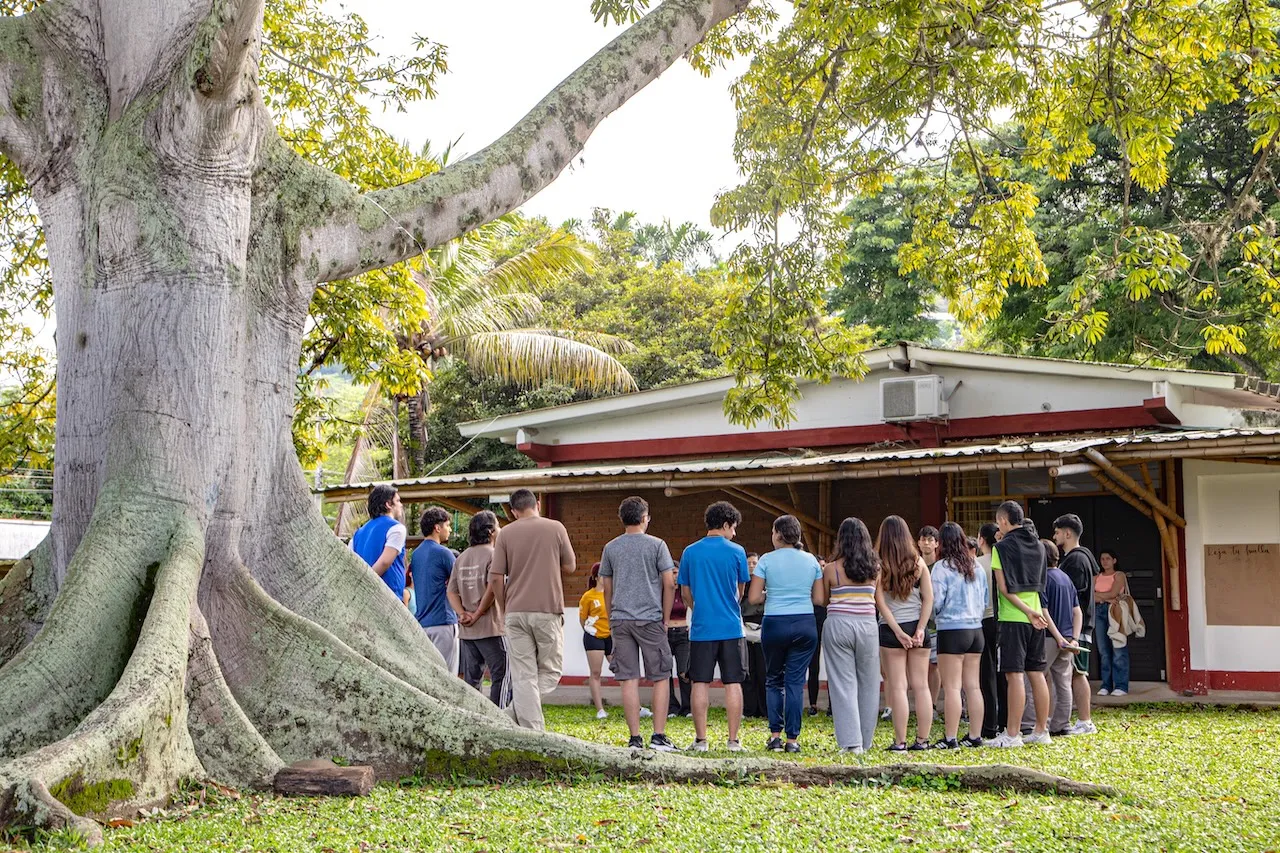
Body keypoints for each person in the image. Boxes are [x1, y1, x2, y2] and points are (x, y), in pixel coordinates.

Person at [490, 488, 577, 731]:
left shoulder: (505, 533)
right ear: (537, 503)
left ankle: (511, 716)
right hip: (547, 608)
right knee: (551, 670)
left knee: (523, 674)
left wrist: (504, 606)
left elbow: (496, 577)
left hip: (515, 610)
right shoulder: (556, 528)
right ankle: (532, 730)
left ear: (514, 511)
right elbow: (570, 566)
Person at [600, 496, 677, 751]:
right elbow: (669, 583)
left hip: (620, 618)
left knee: (628, 679)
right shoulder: (657, 545)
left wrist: (612, 617)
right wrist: (665, 618)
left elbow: (607, 588)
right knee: (661, 676)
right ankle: (658, 735)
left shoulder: (611, 547)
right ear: (645, 518)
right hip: (650, 618)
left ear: (621, 519)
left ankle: (635, 738)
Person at [677, 500, 751, 752]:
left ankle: (701, 740)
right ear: (726, 524)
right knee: (733, 683)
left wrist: (698, 609)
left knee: (699, 682)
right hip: (731, 627)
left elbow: (685, 592)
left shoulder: (690, 552)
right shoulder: (737, 552)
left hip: (701, 627)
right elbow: (740, 590)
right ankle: (733, 741)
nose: (735, 533)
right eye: (734, 527)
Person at [747, 515, 824, 753]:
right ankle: (793, 739)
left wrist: (771, 593)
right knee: (795, 682)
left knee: (773, 680)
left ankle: (775, 736)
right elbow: (820, 599)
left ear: (779, 534)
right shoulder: (810, 560)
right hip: (804, 622)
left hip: (775, 622)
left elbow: (753, 598)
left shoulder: (767, 561)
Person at [990, 500, 1051, 748]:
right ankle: (1041, 730)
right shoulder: (1039, 546)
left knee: (1014, 675)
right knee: (1036, 673)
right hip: (1037, 616)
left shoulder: (1000, 548)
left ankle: (1012, 734)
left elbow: (1003, 589)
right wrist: (1034, 613)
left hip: (1014, 618)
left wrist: (1025, 612)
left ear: (1003, 521)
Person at [822, 517, 882, 753]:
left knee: (842, 684)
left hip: (838, 624)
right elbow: (878, 599)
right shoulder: (876, 568)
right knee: (869, 683)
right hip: (868, 624)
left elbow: (819, 599)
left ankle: (851, 743)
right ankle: (865, 742)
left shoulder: (831, 569)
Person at [874, 514, 934, 751]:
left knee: (898, 686)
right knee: (921, 686)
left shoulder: (879, 563)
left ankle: (900, 742)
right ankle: (923, 740)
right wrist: (920, 628)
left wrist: (897, 631)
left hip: (892, 630)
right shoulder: (918, 563)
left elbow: (880, 602)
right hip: (918, 629)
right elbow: (929, 599)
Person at [930, 521, 987, 749]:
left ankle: (950, 737)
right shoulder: (977, 567)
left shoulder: (941, 567)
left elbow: (936, 602)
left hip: (952, 629)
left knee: (952, 687)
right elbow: (984, 600)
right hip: (976, 629)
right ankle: (975, 736)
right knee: (973, 686)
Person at [447, 511, 508, 706]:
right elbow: (493, 586)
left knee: (472, 680)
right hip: (490, 626)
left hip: (467, 631)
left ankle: (473, 715)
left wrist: (462, 613)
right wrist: (478, 613)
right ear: (491, 532)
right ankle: (497, 714)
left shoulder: (462, 557)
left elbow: (451, 591)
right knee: (501, 674)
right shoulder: (494, 555)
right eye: (498, 526)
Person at [1021, 540, 1082, 735]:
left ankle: (1029, 723)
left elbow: (1044, 612)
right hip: (1067, 638)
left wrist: (1057, 637)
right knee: (1063, 684)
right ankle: (1061, 724)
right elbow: (1077, 611)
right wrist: (1073, 638)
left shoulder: (1043, 580)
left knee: (1032, 680)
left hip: (1048, 637)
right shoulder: (1066, 578)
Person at [1052, 514, 1099, 734]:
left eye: (1058, 533)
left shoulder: (1076, 560)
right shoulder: (1085, 556)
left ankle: (1085, 721)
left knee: (1079, 673)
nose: (1055, 537)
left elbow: (1074, 598)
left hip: (1076, 628)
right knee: (1073, 674)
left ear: (1068, 533)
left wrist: (1071, 630)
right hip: (1079, 626)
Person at [411, 507, 459, 672]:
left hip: (422, 623)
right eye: (447, 525)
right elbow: (459, 584)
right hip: (443, 622)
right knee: (447, 677)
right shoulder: (444, 553)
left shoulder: (416, 554)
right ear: (437, 528)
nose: (450, 529)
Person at [351, 485, 407, 601]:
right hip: (389, 594)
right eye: (397, 501)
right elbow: (385, 562)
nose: (401, 505)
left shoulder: (358, 533)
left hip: (363, 597)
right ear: (388, 504)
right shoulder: (396, 528)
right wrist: (368, 582)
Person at [975, 523, 1004, 740]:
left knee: (987, 675)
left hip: (983, 620)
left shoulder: (976, 565)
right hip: (1004, 620)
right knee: (1005, 673)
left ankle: (989, 725)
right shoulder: (1004, 561)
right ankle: (1006, 721)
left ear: (981, 540)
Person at [1094, 549, 1131, 696]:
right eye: (1102, 559)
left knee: (1118, 648)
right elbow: (1090, 596)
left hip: (1115, 611)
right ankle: (1106, 684)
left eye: (1108, 558)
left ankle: (1121, 685)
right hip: (1099, 612)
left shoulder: (1119, 575)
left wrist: (1102, 597)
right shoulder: (1095, 577)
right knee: (1103, 650)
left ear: (1114, 560)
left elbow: (1114, 593)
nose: (1105, 561)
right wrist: (1106, 598)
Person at [578, 563, 612, 719]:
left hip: (611, 635)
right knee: (596, 672)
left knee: (621, 670)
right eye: (604, 574)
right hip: (594, 637)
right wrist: (590, 629)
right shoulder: (588, 596)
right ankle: (600, 709)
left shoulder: (612, 593)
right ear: (596, 577)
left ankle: (636, 707)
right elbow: (582, 619)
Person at [667, 582, 692, 718]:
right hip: (667, 633)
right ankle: (671, 707)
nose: (674, 576)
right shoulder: (663, 592)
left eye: (676, 572)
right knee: (666, 671)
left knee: (684, 671)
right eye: (672, 573)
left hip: (683, 632)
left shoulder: (685, 592)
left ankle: (687, 707)